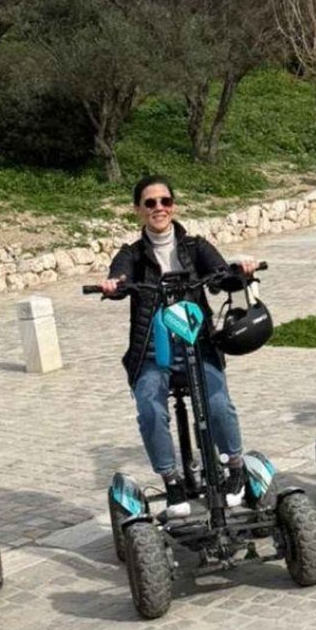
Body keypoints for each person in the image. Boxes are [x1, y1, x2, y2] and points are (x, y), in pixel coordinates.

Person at [102, 176, 258, 519]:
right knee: (149, 407)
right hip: (152, 351)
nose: (159, 208)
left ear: (173, 205)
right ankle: (171, 480)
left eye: (165, 201)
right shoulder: (132, 254)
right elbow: (120, 276)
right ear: (138, 209)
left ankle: (234, 467)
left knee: (218, 402)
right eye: (150, 203)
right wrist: (115, 284)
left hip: (198, 344)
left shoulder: (195, 247)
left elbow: (221, 277)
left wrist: (240, 272)